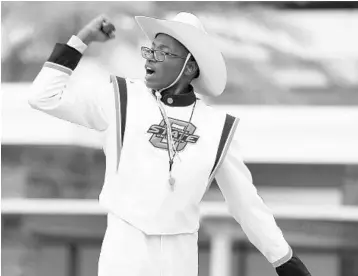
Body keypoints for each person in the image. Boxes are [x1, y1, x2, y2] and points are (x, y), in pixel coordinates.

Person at [29, 12, 311, 276]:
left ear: (189, 67)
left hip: (180, 256)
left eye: (163, 52)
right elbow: (43, 97)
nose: (151, 58)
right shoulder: (121, 97)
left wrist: (285, 261)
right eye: (150, 50)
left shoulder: (218, 127)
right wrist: (80, 40)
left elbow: (246, 204)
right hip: (124, 248)